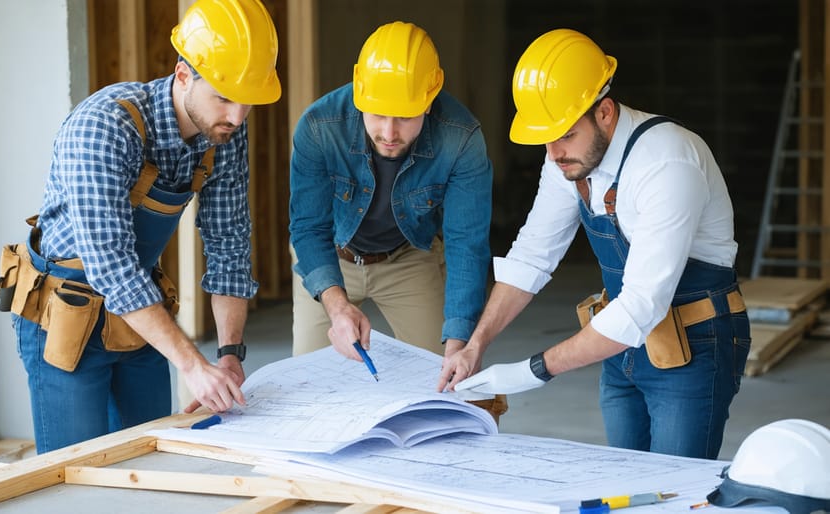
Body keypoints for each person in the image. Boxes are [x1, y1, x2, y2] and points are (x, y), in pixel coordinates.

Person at [444, 28, 750, 459]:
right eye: (546, 138)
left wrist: (533, 370)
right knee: (624, 481)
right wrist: (476, 344)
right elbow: (533, 254)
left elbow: (641, 306)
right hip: (619, 347)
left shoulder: (667, 163)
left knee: (674, 491)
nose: (553, 152)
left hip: (694, 347)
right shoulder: (567, 157)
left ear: (604, 112)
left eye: (565, 135)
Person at [0, 0, 281, 453]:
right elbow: (111, 266)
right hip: (66, 314)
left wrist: (229, 355)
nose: (238, 116)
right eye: (225, 97)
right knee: (75, 477)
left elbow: (229, 244)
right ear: (183, 75)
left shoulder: (224, 130)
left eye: (248, 101)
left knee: (151, 458)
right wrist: (191, 365)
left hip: (139, 314)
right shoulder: (104, 127)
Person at [289, 21, 506, 419]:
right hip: (330, 260)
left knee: (439, 384)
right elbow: (308, 229)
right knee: (308, 390)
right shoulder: (319, 127)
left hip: (409, 257)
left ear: (430, 97)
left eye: (405, 117)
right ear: (359, 92)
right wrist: (336, 308)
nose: (389, 133)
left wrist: (459, 342)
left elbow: (466, 244)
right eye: (377, 115)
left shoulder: (461, 137)